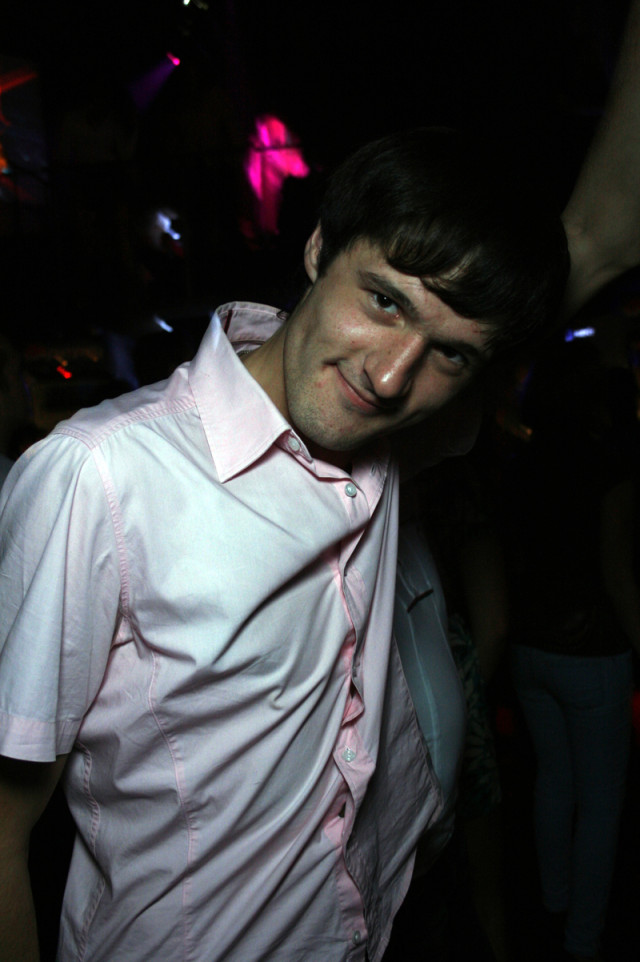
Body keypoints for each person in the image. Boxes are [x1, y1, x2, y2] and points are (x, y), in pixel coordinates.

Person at [0, 127, 569, 962]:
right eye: (385, 302)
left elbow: (587, 247)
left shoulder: (405, 432)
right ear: (317, 248)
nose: (389, 377)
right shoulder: (99, 476)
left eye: (448, 352)